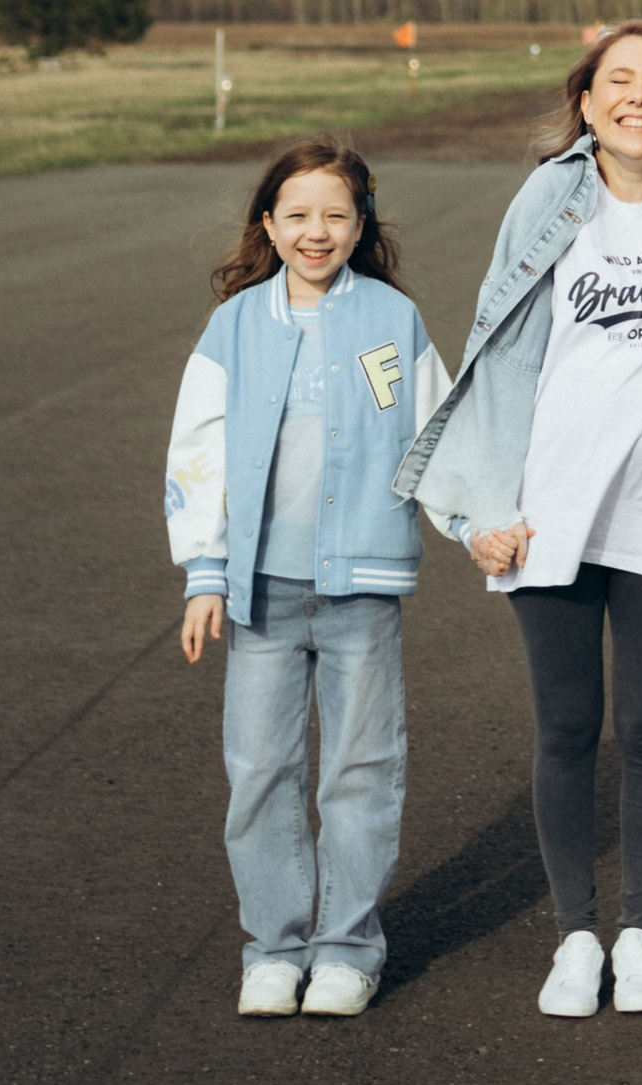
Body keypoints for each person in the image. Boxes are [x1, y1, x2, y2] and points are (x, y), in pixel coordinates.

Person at [396, 21, 642, 1020]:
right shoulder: (547, 197)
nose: (636, 96)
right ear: (585, 102)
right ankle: (576, 935)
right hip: (550, 504)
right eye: (617, 80)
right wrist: (482, 509)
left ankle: (641, 932)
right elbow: (495, 349)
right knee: (567, 727)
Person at [166, 140, 454, 1017]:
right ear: (268, 223)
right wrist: (204, 572)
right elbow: (199, 451)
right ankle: (274, 946)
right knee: (260, 769)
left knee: (361, 769)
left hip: (361, 588)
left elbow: (433, 431)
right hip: (260, 589)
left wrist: (480, 527)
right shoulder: (236, 327)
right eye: (297, 215)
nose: (316, 232)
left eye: (335, 215)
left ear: (361, 223)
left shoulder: (391, 323)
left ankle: (346, 949)